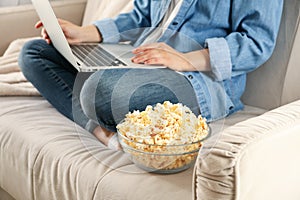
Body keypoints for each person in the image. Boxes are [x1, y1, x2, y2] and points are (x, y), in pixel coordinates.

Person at [19, 0, 283, 150]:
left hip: (198, 78)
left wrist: (184, 59)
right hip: (140, 59)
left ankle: (99, 118)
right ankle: (103, 130)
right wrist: (87, 33)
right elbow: (141, 14)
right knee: (34, 52)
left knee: (98, 94)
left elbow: (256, 42)